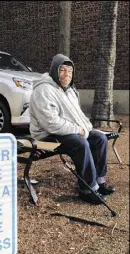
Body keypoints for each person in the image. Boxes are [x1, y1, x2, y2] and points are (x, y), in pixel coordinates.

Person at [29, 53, 115, 205]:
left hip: (65, 131)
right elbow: (51, 123)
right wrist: (78, 130)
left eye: (70, 71)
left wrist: (87, 128)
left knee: (99, 138)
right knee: (80, 143)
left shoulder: (69, 91)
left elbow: (78, 116)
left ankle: (99, 182)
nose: (67, 74)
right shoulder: (44, 90)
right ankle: (87, 190)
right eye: (62, 70)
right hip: (46, 135)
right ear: (54, 70)